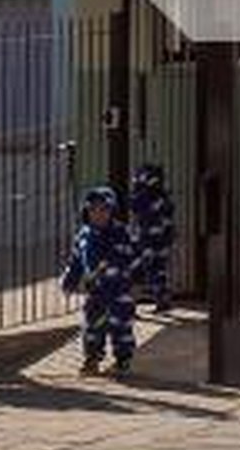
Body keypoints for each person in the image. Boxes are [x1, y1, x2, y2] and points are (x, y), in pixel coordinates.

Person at [60, 182, 139, 377]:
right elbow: (76, 261)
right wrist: (70, 281)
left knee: (121, 326)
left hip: (119, 290)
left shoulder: (122, 233)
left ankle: (123, 359)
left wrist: (136, 281)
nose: (99, 214)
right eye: (93, 210)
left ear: (112, 211)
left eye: (104, 210)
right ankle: (92, 358)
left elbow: (135, 259)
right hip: (95, 291)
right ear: (87, 211)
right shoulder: (84, 235)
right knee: (92, 326)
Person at [125, 159, 178, 313]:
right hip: (154, 241)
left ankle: (130, 306)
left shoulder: (152, 198)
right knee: (156, 271)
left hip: (150, 242)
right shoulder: (158, 197)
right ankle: (162, 301)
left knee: (136, 272)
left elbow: (137, 208)